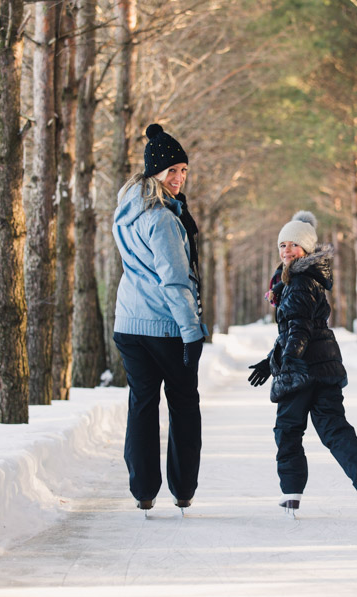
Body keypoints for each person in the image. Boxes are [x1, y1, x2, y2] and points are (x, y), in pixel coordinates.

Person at [247, 211, 357, 522]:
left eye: (294, 245)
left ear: (306, 250)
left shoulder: (296, 281)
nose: (286, 251)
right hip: (326, 366)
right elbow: (301, 326)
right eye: (282, 245)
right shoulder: (311, 281)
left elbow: (297, 329)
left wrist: (290, 361)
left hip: (303, 370)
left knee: (288, 431)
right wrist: (273, 360)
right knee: (334, 427)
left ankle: (291, 492)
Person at [112, 123, 207, 514]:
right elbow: (173, 281)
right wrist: (191, 333)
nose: (179, 178)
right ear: (154, 174)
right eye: (172, 171)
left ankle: (143, 490)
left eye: (183, 171)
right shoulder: (164, 219)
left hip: (128, 325)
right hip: (164, 325)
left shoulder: (126, 211)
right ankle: (183, 489)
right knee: (184, 403)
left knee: (143, 404)